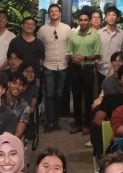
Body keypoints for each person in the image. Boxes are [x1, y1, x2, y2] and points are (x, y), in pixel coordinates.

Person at [37, 3, 71, 132]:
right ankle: (49, 122)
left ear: (60, 13)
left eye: (56, 11)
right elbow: (39, 47)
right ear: (49, 14)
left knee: (59, 94)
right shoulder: (42, 29)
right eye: (51, 11)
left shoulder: (67, 28)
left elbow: (70, 45)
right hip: (48, 65)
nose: (54, 13)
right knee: (49, 94)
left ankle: (56, 120)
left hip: (63, 64)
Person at [68, 9, 101, 135]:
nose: (83, 22)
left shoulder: (95, 36)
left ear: (89, 21)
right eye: (81, 20)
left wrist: (85, 58)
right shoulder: (73, 35)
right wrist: (73, 58)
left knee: (88, 98)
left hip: (88, 69)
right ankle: (77, 124)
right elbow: (69, 51)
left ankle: (87, 124)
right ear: (78, 21)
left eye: (85, 20)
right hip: (74, 69)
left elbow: (98, 53)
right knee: (76, 97)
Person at [98, 7, 123, 87]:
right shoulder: (99, 33)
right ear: (105, 18)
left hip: (116, 70)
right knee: (101, 91)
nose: (111, 17)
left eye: (114, 15)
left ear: (117, 18)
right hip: (101, 69)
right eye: (109, 15)